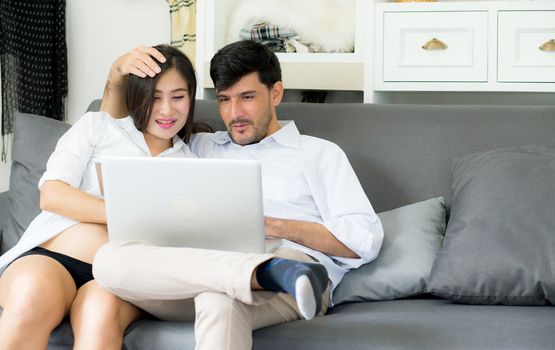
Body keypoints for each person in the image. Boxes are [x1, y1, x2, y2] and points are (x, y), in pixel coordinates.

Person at [93, 40, 384, 350]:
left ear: (275, 93)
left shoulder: (318, 154)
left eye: (247, 97)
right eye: (224, 99)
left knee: (218, 301)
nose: (234, 113)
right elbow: (115, 140)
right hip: (201, 269)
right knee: (109, 261)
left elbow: (364, 240)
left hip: (292, 271)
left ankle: (279, 271)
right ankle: (263, 273)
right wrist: (116, 77)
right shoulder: (198, 147)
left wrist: (273, 226)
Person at [0, 44, 198, 349]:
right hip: (53, 258)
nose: (166, 110)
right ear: (135, 96)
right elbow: (52, 194)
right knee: (31, 295)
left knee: (99, 313)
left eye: (178, 97)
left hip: (121, 280)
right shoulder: (98, 127)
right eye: (154, 97)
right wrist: (129, 212)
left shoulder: (193, 166)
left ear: (191, 97)